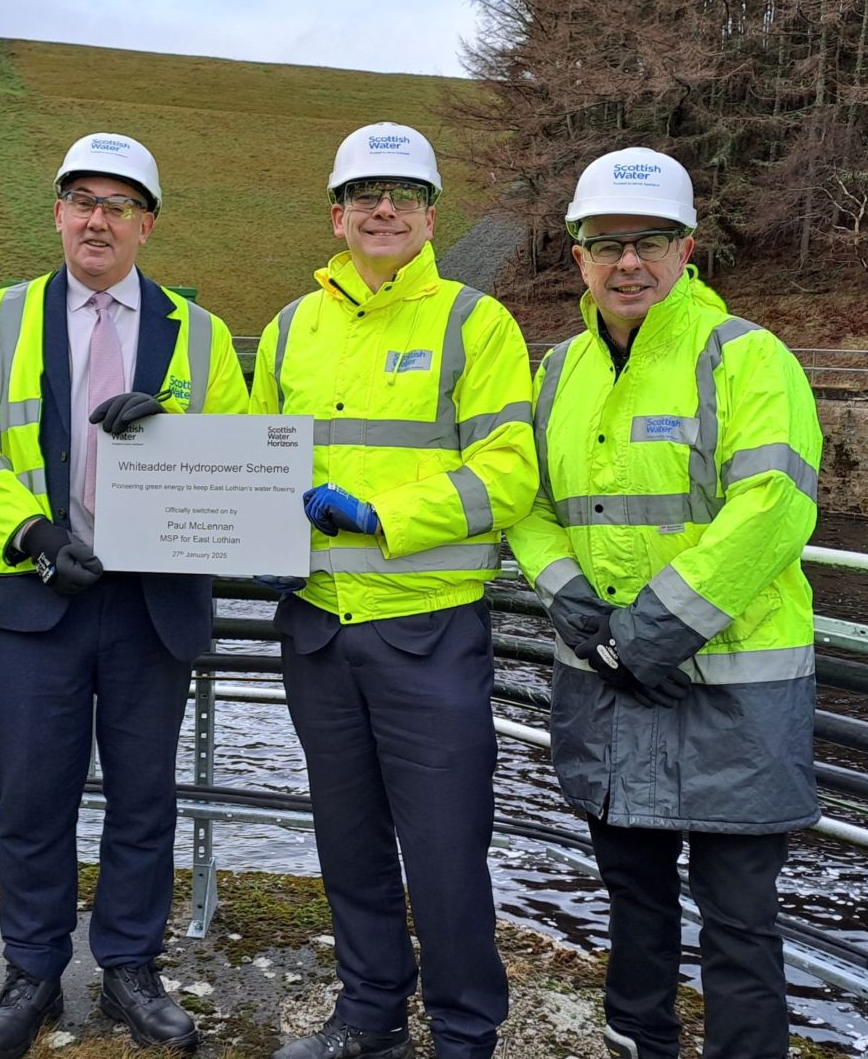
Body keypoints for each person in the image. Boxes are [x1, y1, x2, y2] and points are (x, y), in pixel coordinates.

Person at [505, 146, 822, 1059]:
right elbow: (526, 502)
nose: (628, 262)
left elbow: (774, 510)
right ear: (577, 256)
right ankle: (637, 1043)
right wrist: (572, 605)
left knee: (739, 921)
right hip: (607, 680)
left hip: (733, 692)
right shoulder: (560, 371)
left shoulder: (748, 360)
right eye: (606, 244)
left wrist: (645, 633)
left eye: (650, 241)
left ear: (689, 249)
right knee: (633, 900)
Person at [0, 132, 249, 1059]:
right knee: (33, 796)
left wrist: (178, 428)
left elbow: (237, 451)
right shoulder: (7, 315)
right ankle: (30, 972)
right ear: (60, 215)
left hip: (152, 601)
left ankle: (129, 970)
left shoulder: (197, 329)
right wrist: (29, 533)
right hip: (42, 595)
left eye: (118, 205)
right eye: (82, 201)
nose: (97, 219)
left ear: (146, 224)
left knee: (145, 800)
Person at [249, 122, 536, 1059]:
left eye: (403, 196)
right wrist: (163, 441)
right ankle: (368, 1016)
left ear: (429, 217)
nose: (383, 209)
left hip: (429, 634)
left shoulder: (473, 322)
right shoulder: (293, 326)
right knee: (350, 845)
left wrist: (380, 516)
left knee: (448, 856)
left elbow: (510, 475)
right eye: (366, 195)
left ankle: (463, 1034)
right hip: (320, 629)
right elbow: (253, 466)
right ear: (336, 215)